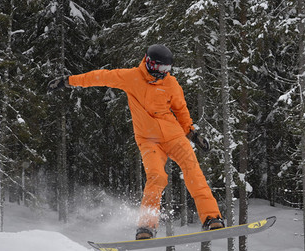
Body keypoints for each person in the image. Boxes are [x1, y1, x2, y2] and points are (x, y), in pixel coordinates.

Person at [48, 44, 224, 239]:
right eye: (161, 68)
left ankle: (211, 217)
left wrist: (192, 134)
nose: (164, 73)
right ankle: (146, 226)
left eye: (168, 69)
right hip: (148, 140)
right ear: (149, 63)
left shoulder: (171, 83)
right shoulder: (131, 77)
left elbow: (181, 111)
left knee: (194, 172)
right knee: (156, 177)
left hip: (174, 136)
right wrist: (69, 81)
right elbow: (100, 77)